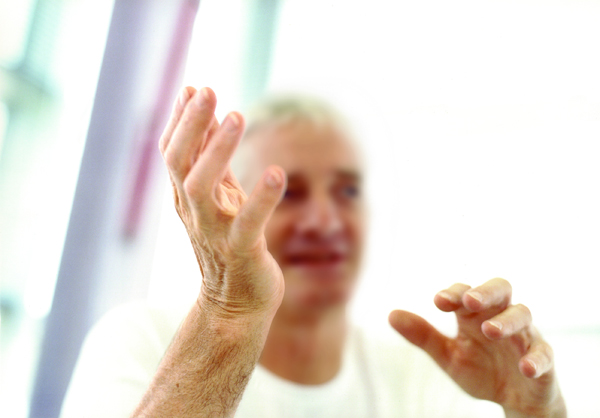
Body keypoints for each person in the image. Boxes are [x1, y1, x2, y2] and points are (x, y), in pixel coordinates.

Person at [61, 86, 567, 418]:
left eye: (347, 192)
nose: (325, 221)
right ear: (233, 203)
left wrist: (538, 415)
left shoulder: (419, 378)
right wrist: (231, 309)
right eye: (288, 191)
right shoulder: (136, 341)